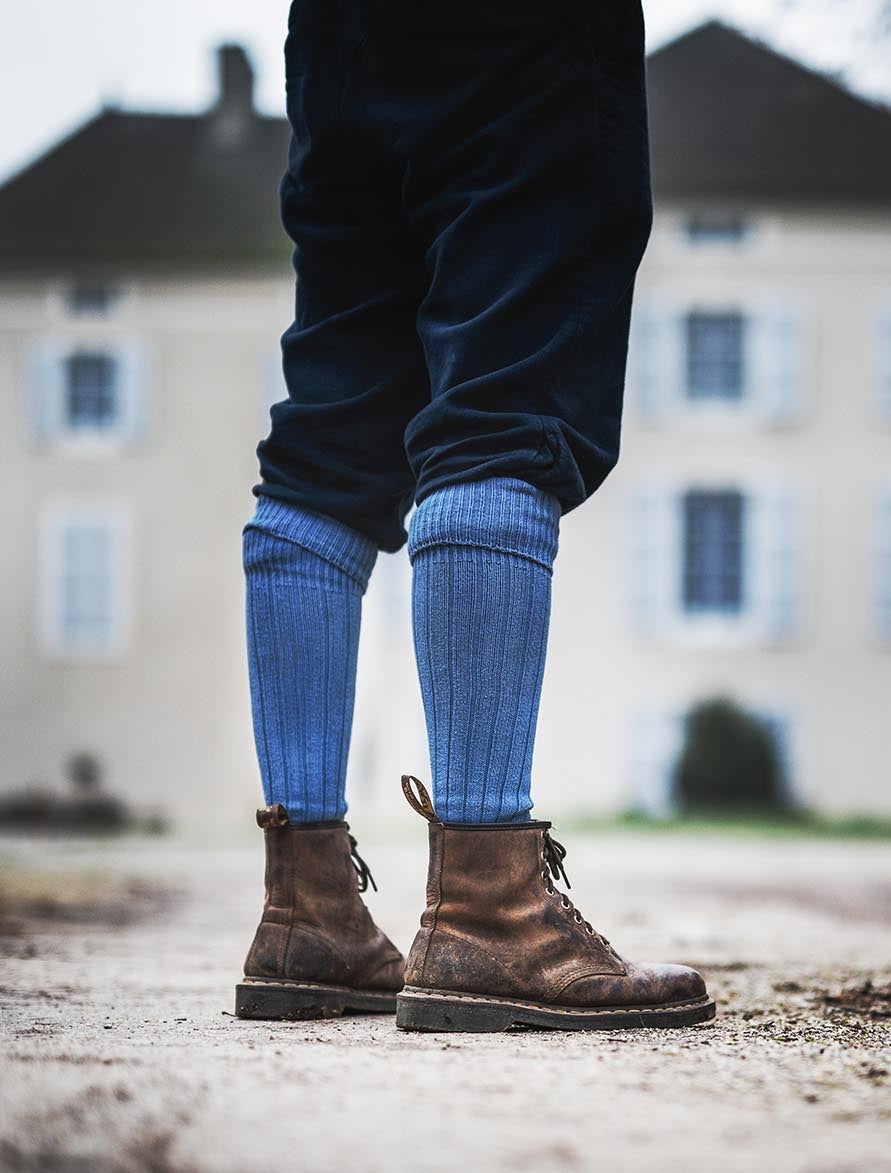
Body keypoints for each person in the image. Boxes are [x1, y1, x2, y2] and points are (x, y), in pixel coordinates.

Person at [229, 0, 713, 1032]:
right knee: (503, 401)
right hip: (518, 33)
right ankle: (489, 910)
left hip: (341, 38)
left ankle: (304, 910)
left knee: (332, 424)